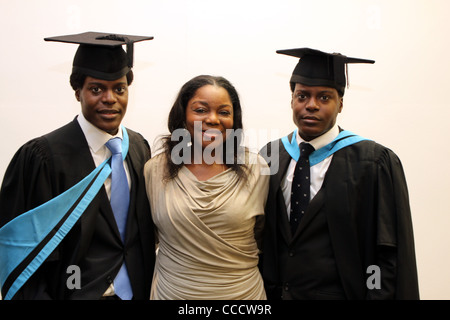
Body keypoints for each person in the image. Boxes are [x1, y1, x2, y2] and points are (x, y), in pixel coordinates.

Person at [0, 32, 155, 300]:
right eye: (96, 89)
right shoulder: (42, 158)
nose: (110, 98)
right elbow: (22, 253)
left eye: (119, 88)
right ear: (77, 92)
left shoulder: (139, 148)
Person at [259, 47, 419, 300]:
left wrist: (376, 294)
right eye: (302, 96)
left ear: (340, 104)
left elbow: (385, 251)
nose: (311, 105)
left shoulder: (373, 162)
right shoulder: (270, 156)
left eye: (324, 97)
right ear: (292, 100)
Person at [144, 75, 269, 299]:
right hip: (173, 293)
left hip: (242, 297)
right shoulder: (155, 170)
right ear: (182, 115)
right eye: (201, 110)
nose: (212, 119)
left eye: (223, 112)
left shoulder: (256, 169)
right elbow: (146, 236)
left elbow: (263, 234)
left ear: (234, 119)